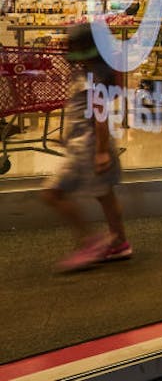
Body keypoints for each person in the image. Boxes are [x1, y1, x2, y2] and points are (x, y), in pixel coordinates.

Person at [41, 22, 132, 271]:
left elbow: (100, 116)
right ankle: (119, 242)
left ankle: (89, 242)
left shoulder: (92, 76)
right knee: (105, 195)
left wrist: (100, 152)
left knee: (52, 193)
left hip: (88, 147)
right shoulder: (91, 72)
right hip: (88, 144)